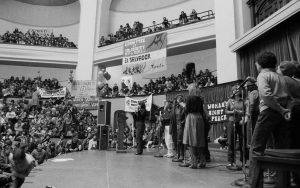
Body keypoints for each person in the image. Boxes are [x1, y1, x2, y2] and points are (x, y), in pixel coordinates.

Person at [247, 52, 293, 187]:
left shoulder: (262, 75)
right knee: (281, 150)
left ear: (260, 64)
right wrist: (285, 110)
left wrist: (279, 109)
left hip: (268, 112)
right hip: (281, 114)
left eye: (256, 63)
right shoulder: (281, 77)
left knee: (256, 148)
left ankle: (254, 183)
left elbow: (266, 96)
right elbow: (290, 98)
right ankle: (283, 183)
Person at [183, 85, 207, 168]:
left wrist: (184, 106)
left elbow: (187, 110)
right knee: (200, 141)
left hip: (191, 118)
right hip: (199, 118)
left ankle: (194, 163)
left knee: (191, 141)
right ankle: (203, 161)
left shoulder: (189, 98)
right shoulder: (200, 99)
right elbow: (201, 110)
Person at [225, 85, 246, 169]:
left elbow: (245, 111)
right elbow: (226, 111)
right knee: (231, 142)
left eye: (238, 89)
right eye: (235, 89)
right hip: (231, 122)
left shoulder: (243, 100)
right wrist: (232, 111)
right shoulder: (230, 100)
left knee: (242, 142)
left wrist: (240, 112)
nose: (237, 90)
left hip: (240, 123)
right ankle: (231, 162)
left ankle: (243, 161)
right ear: (233, 91)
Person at [171, 95, 186, 162]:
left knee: (180, 140)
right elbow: (173, 115)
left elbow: (185, 114)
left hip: (181, 125)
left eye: (178, 99)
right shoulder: (176, 107)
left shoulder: (183, 107)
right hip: (175, 125)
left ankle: (182, 155)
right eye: (176, 99)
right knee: (176, 140)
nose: (177, 101)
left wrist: (182, 122)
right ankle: (178, 154)